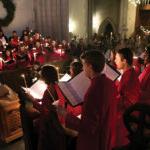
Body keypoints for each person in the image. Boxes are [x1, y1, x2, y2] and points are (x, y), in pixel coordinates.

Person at [57, 50, 117, 150]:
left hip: (94, 141)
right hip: (107, 133)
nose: (82, 68)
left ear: (90, 66)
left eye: (84, 65)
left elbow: (88, 127)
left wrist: (66, 115)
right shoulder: (110, 83)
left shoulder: (93, 90)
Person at [114, 48, 141, 147]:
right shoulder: (128, 73)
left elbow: (128, 101)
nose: (114, 61)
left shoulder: (129, 76)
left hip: (127, 115)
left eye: (116, 59)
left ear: (124, 61)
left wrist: (112, 101)